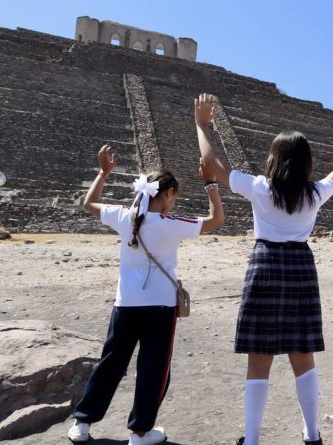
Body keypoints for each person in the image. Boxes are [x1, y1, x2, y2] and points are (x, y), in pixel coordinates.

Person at [194, 93, 333, 445]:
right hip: (300, 266)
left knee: (259, 356)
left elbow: (211, 163)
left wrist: (202, 125)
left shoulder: (259, 186)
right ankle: (312, 435)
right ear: (306, 163)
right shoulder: (314, 194)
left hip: (264, 264)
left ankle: (251, 440)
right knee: (302, 353)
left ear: (273, 158)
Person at [68, 145, 224, 444]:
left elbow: (89, 203)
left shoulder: (123, 216)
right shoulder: (170, 224)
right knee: (153, 368)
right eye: (174, 196)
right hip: (160, 306)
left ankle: (82, 423)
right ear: (166, 195)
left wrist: (104, 173)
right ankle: (140, 432)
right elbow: (216, 219)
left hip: (125, 303)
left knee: (111, 363)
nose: (174, 202)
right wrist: (210, 182)